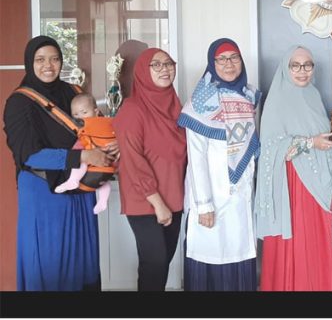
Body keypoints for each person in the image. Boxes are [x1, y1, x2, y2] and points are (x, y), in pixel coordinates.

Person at [3, 35, 117, 291]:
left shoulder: (74, 93)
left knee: (83, 262)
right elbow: (29, 155)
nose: (48, 65)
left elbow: (97, 128)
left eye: (54, 59)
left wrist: (112, 144)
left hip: (80, 191)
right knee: (49, 263)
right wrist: (83, 157)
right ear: (29, 62)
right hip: (44, 195)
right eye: (40, 59)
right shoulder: (19, 103)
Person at [254, 45, 332, 291]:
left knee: (317, 240)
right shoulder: (277, 99)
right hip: (294, 185)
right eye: (296, 65)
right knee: (301, 242)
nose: (303, 71)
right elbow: (271, 147)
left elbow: (317, 132)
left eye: (308, 65)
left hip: (319, 183)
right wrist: (311, 143)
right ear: (286, 67)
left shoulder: (313, 95)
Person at [177, 38, 260, 291]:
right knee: (211, 257)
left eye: (234, 57)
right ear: (212, 64)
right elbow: (196, 159)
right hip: (212, 196)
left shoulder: (249, 96)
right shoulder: (199, 103)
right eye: (221, 59)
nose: (228, 64)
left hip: (241, 197)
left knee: (239, 254)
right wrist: (204, 205)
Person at [112, 47, 187, 291]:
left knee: (162, 264)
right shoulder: (132, 109)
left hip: (174, 196)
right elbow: (132, 160)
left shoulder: (176, 107)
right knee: (154, 263)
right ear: (143, 71)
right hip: (145, 199)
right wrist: (158, 203)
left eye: (169, 63)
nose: (165, 69)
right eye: (156, 65)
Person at [54, 93, 117, 215]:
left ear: (96, 112)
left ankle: (73, 180)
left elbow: (79, 148)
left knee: (80, 159)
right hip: (109, 166)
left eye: (84, 112)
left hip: (97, 164)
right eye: (76, 115)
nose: (80, 117)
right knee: (104, 183)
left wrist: (75, 153)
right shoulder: (108, 122)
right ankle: (102, 201)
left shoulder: (88, 127)